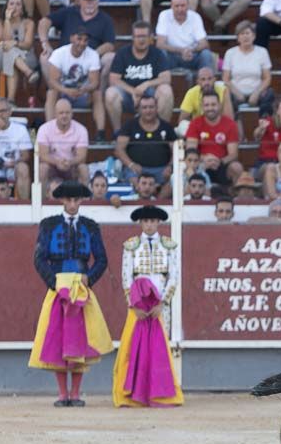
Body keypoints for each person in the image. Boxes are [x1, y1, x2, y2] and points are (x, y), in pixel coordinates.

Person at [29, 180, 113, 407]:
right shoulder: (48, 224)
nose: (73, 204)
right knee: (58, 340)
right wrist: (54, 283)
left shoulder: (91, 226)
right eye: (69, 200)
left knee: (79, 340)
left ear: (82, 201)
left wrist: (89, 278)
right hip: (58, 286)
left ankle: (75, 393)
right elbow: (39, 259)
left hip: (80, 288)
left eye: (77, 200)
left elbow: (102, 259)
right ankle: (62, 394)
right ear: (61, 201)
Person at [114, 205, 184, 408]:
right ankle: (135, 392)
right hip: (138, 306)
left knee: (160, 347)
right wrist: (133, 305)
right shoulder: (131, 246)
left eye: (153, 221)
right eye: (146, 221)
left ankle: (160, 393)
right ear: (141, 223)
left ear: (158, 223)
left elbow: (174, 276)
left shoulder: (170, 246)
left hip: (160, 305)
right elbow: (126, 277)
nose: (150, 225)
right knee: (134, 347)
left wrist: (162, 303)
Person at [106, 20, 174, 131]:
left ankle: (162, 132)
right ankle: (118, 133)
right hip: (128, 96)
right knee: (110, 93)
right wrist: (133, 91)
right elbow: (113, 80)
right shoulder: (123, 53)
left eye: (144, 36)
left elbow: (166, 78)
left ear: (151, 37)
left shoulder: (157, 53)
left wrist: (147, 84)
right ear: (132, 38)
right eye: (138, 36)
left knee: (166, 90)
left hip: (151, 95)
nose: (141, 40)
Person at [45, 29, 105, 137]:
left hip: (82, 94)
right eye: (79, 39)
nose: (82, 43)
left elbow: (95, 82)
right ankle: (50, 130)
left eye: (85, 40)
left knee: (97, 93)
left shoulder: (93, 54)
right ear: (72, 38)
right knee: (51, 92)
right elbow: (52, 81)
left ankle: (100, 133)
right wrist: (66, 90)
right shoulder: (59, 53)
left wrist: (85, 89)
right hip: (63, 94)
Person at [117, 94, 177, 185]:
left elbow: (176, 150)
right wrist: (131, 165)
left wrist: (170, 167)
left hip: (162, 170)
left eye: (151, 107)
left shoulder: (166, 127)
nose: (148, 110)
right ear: (139, 109)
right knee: (134, 180)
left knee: (173, 181)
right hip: (136, 170)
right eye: (144, 107)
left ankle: (159, 199)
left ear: (157, 108)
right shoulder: (129, 125)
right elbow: (119, 149)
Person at [155, 0, 215, 79]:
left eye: (183, 6)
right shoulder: (164, 15)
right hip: (172, 56)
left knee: (206, 54)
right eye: (177, 6)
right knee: (161, 53)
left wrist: (191, 50)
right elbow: (160, 44)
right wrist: (181, 51)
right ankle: (161, 86)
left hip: (192, 55)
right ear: (171, 6)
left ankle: (207, 88)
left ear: (188, 5)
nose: (180, 9)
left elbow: (204, 43)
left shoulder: (195, 16)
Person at [186, 91, 243, 186]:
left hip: (222, 163)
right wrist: (205, 159)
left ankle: (233, 197)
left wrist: (218, 161)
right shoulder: (195, 123)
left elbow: (233, 154)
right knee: (190, 166)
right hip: (200, 163)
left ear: (219, 105)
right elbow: (190, 150)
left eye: (213, 104)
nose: (210, 108)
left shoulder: (230, 124)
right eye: (206, 105)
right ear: (202, 107)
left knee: (236, 167)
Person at [37, 97, 89, 193]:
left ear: (72, 114)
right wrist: (57, 162)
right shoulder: (44, 129)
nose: (64, 116)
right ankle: (42, 203)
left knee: (84, 168)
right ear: (55, 114)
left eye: (67, 112)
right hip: (52, 166)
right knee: (42, 168)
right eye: (61, 113)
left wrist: (69, 162)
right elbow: (43, 155)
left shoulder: (81, 129)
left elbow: (82, 157)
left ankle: (84, 202)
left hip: (72, 166)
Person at [0, 0, 40, 102]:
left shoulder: (29, 23)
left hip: (27, 57)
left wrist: (14, 43)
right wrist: (7, 20)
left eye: (18, 4)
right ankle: (29, 73)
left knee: (10, 58)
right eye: (11, 4)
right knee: (7, 49)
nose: (14, 7)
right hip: (3, 56)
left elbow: (28, 44)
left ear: (22, 9)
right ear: (6, 7)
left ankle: (10, 100)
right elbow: (5, 39)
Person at [221, 19, 272, 114]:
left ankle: (265, 124)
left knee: (269, 94)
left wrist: (256, 94)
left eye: (248, 33)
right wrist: (237, 93)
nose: (245, 36)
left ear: (254, 36)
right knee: (225, 94)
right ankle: (232, 127)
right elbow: (226, 78)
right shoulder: (230, 53)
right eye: (242, 34)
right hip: (236, 91)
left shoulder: (262, 52)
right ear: (238, 38)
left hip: (257, 90)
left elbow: (267, 78)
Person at [253, 94, 281, 171]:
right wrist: (260, 128)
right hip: (266, 163)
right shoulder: (269, 122)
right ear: (277, 111)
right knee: (272, 168)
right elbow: (257, 135)